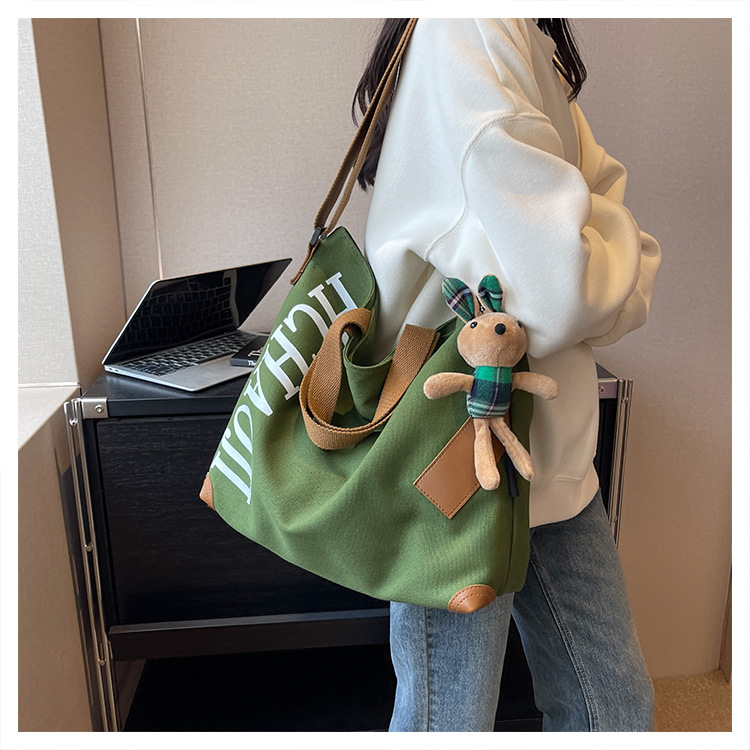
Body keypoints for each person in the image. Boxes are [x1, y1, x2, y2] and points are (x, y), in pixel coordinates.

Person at [352, 18, 662, 732]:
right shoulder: (472, 24)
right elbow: (565, 287)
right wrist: (613, 251)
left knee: (612, 709)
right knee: (452, 722)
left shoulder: (513, 31)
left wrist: (588, 241)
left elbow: (584, 223)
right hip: (454, 458)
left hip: (548, 451)